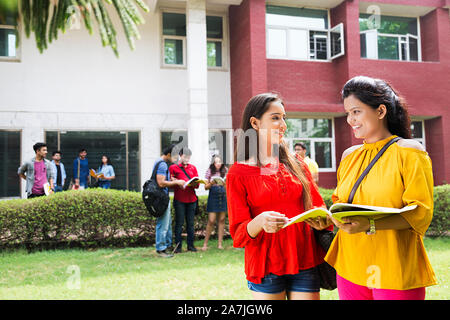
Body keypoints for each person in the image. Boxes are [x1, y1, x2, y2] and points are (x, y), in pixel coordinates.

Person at [322, 76, 437, 300]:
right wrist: (328, 218)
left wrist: (371, 224)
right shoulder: (349, 156)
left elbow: (421, 213)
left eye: (356, 111)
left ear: (381, 111)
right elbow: (340, 201)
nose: (350, 120)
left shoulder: (410, 153)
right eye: (348, 113)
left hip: (394, 265)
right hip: (350, 265)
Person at [226, 93, 331, 300]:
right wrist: (259, 221)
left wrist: (322, 219)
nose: (283, 124)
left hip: (304, 259)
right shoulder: (237, 174)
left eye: (284, 118)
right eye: (275, 118)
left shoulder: (298, 165)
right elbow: (238, 234)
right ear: (255, 123)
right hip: (266, 263)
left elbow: (319, 208)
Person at [153, 144, 186, 258]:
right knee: (163, 224)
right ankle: (161, 249)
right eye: (174, 155)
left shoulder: (160, 162)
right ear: (168, 154)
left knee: (167, 223)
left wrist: (172, 179)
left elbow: (163, 179)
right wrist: (176, 183)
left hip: (162, 197)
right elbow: (161, 183)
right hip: (161, 197)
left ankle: (167, 246)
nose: (176, 158)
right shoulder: (162, 165)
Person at [169, 147, 200, 253]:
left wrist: (195, 183)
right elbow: (171, 184)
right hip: (180, 200)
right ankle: (178, 247)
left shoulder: (193, 168)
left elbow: (197, 185)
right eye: (185, 157)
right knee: (179, 223)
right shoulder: (173, 168)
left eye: (189, 157)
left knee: (190, 224)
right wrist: (177, 181)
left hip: (191, 199)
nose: (187, 159)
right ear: (180, 156)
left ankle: (190, 246)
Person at [202, 155, 228, 251]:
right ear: (213, 163)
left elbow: (228, 187)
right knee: (211, 220)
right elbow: (205, 187)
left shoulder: (225, 170)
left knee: (221, 220)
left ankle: (220, 244)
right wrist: (212, 183)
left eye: (220, 162)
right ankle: (205, 243)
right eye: (216, 162)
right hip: (213, 195)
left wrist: (224, 184)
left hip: (223, 195)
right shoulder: (209, 170)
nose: (218, 164)